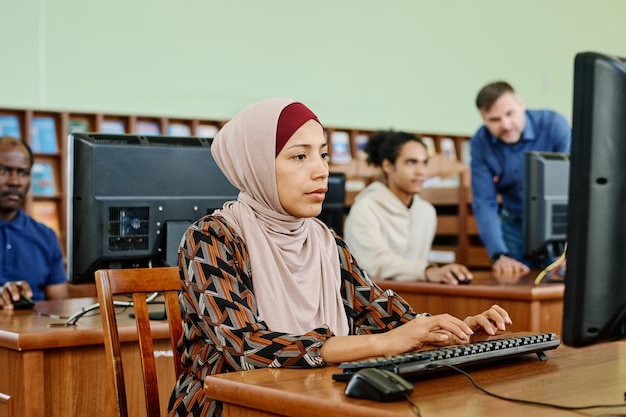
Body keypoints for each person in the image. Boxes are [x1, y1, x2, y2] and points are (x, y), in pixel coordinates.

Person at [166, 97, 512, 417]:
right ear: (254, 165)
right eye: (300, 156)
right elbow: (246, 348)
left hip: (313, 397)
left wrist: (451, 329)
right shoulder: (211, 237)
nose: (320, 171)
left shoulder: (324, 240)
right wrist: (383, 343)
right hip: (228, 406)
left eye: (324, 155)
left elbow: (384, 315)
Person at [343, 130, 472, 284]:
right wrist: (427, 271)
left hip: (414, 297)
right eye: (411, 162)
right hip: (372, 302)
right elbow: (374, 264)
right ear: (388, 166)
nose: (421, 171)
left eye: (424, 163)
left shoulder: (427, 212)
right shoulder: (365, 209)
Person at [469, 81, 571, 274]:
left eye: (510, 114)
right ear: (483, 118)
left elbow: (576, 185)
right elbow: (484, 202)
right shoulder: (480, 143)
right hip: (515, 221)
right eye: (494, 120)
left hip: (560, 222)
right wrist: (498, 254)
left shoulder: (554, 125)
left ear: (521, 104)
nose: (506, 125)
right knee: (515, 279)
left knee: (564, 279)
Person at [0, 136, 69, 308]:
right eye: (4, 171)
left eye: (23, 173)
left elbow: (59, 306)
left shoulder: (46, 237)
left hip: (34, 331)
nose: (14, 182)